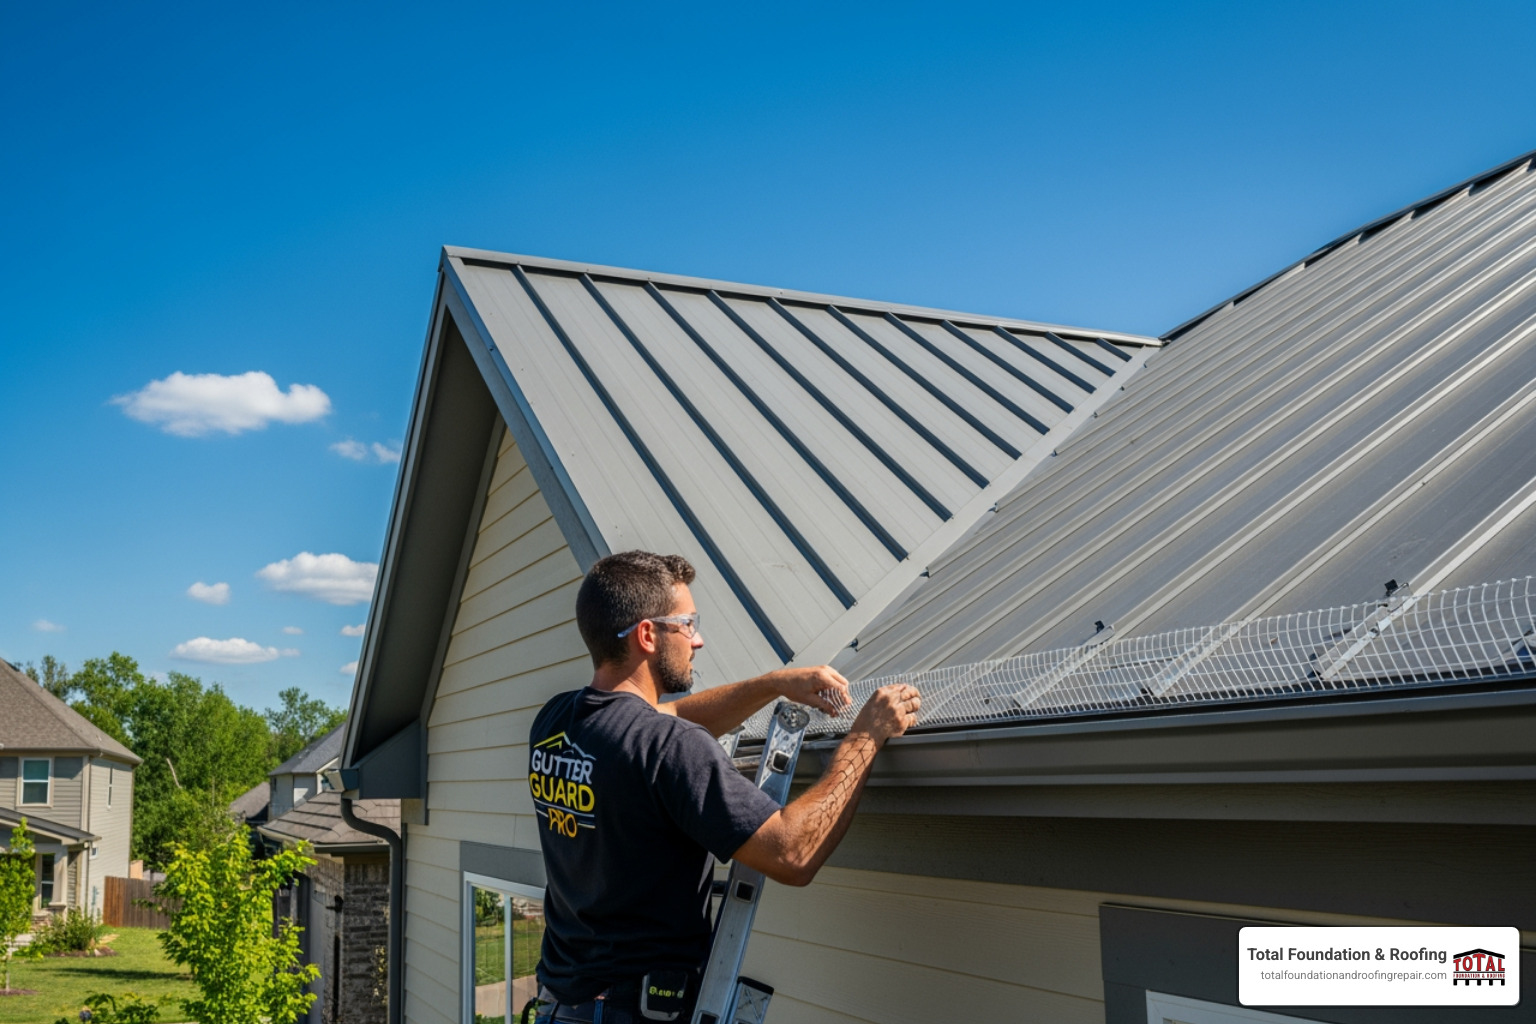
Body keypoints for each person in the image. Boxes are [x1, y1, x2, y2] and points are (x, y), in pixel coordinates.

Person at [527, 550, 921, 1024]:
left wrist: (775, 683)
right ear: (648, 635)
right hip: (629, 1013)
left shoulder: (556, 721)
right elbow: (791, 854)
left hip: (559, 1007)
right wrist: (866, 735)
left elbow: (657, 723)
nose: (698, 640)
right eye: (687, 624)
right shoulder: (671, 748)